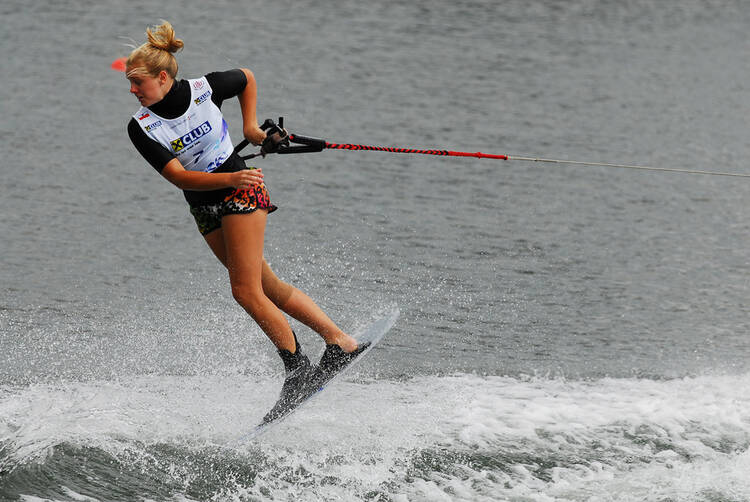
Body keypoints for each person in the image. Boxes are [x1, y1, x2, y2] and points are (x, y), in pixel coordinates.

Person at [125, 21, 366, 419]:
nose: (133, 91)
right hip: (205, 204)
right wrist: (229, 178)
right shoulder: (141, 127)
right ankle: (341, 342)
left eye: (138, 82)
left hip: (243, 191)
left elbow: (246, 78)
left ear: (163, 77)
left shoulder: (204, 89)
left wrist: (250, 127)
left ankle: (298, 368)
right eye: (130, 84)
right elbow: (178, 177)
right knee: (265, 285)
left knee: (244, 290)